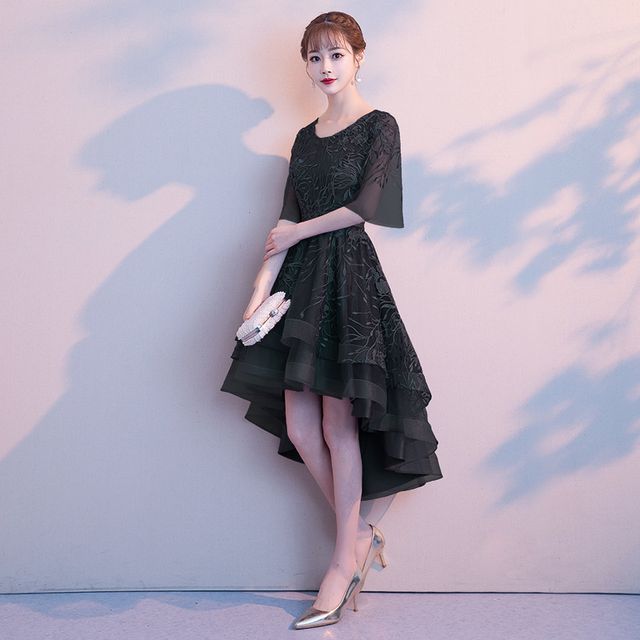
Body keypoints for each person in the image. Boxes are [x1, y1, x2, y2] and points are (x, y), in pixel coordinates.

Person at [220, 10, 443, 630]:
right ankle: (361, 537)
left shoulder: (380, 125)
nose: (325, 67)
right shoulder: (304, 137)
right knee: (301, 425)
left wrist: (300, 232)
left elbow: (368, 206)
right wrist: (257, 294)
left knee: (338, 423)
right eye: (315, 57)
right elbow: (282, 224)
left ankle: (341, 564)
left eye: (336, 54)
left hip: (348, 278)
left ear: (358, 58)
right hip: (299, 284)